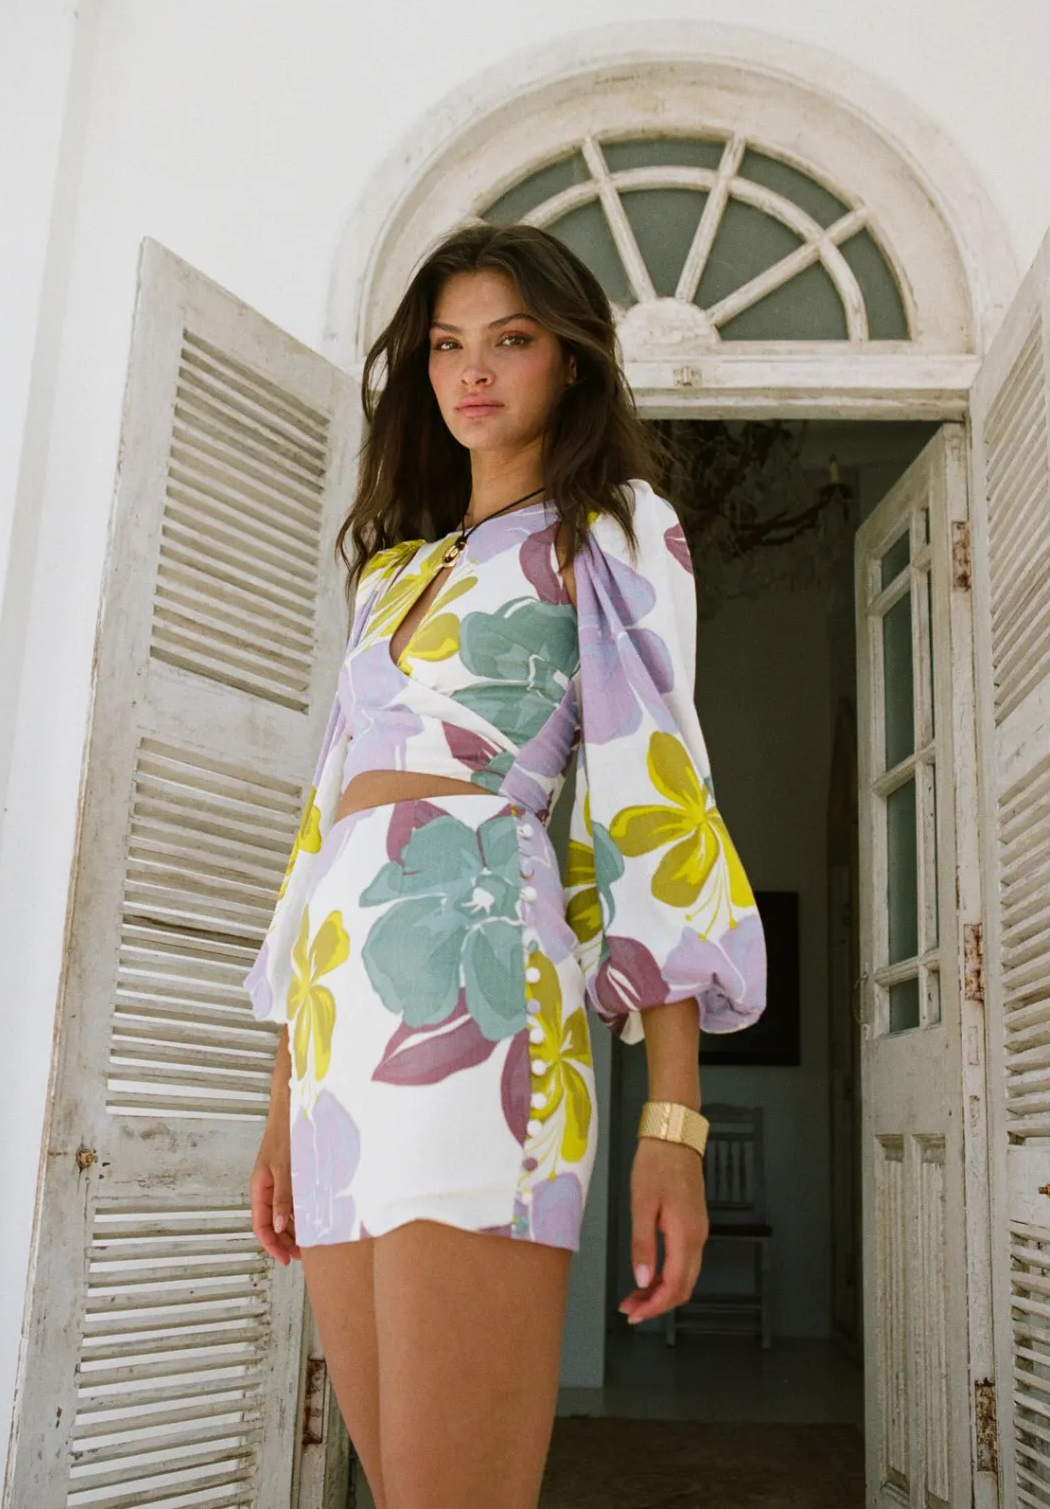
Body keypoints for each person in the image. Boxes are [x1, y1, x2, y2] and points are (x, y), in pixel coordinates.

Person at [244, 222, 767, 1509]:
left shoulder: (610, 533)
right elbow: (318, 838)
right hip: (338, 1025)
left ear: (570, 361)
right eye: (446, 345)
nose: (471, 371)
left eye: (510, 339)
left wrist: (673, 1123)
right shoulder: (389, 576)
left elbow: (653, 802)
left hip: (480, 994)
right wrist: (281, 1101)